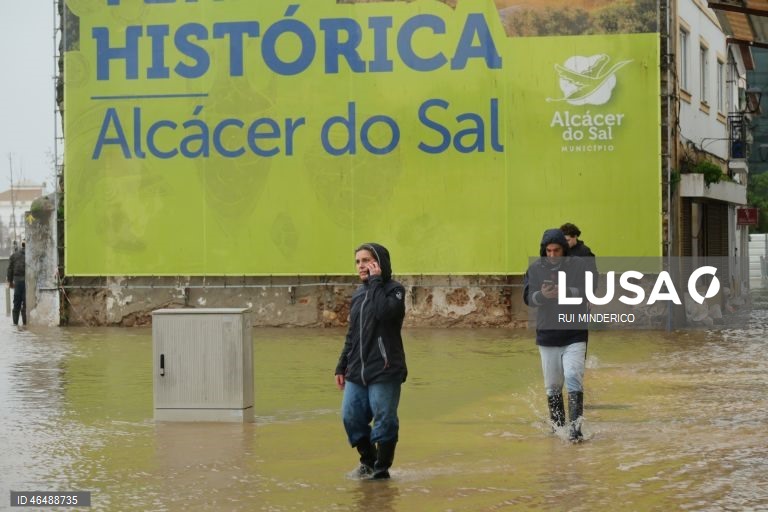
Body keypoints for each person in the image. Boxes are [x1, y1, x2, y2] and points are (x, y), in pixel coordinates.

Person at [334, 243, 407, 479]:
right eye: (357, 262)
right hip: (357, 369)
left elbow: (384, 314)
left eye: (366, 260)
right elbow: (352, 334)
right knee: (350, 416)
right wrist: (342, 364)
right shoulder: (358, 294)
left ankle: (381, 471)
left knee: (384, 419)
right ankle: (368, 461)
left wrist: (376, 281)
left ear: (379, 262)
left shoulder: (395, 290)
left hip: (385, 368)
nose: (360, 266)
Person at [523, 229, 589, 442]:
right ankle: (558, 430)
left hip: (575, 332)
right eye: (548, 251)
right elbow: (528, 297)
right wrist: (542, 295)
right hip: (548, 334)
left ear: (564, 249)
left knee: (573, 376)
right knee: (552, 386)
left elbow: (588, 290)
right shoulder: (535, 269)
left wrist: (566, 292)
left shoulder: (579, 265)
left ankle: (575, 431)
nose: (552, 255)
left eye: (557, 250)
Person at [560, 222, 598, 290]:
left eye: (568, 240)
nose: (565, 243)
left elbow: (592, 274)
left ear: (575, 236)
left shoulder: (584, 251)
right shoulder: (561, 250)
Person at [7, 241, 27, 326]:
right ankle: (25, 324)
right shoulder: (31, 255)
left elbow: (10, 270)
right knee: (26, 303)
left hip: (17, 281)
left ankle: (15, 324)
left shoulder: (14, 255)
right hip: (27, 281)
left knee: (16, 302)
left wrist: (10, 282)